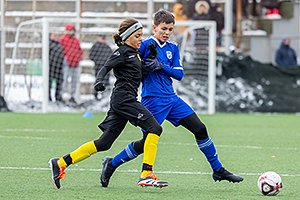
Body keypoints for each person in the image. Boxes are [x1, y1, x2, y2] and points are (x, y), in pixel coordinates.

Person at [100, 9, 244, 188]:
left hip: (172, 99)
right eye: (164, 29)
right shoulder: (143, 46)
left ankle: (218, 169)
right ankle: (112, 164)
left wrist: (160, 66)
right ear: (154, 28)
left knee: (200, 129)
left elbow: (179, 74)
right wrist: (145, 68)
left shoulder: (173, 48)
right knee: (146, 142)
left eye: (170, 29)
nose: (167, 33)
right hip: (152, 100)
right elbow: (133, 70)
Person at [49, 17, 168, 189]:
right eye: (137, 36)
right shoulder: (122, 52)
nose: (140, 39)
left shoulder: (135, 53)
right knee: (155, 128)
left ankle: (61, 162)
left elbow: (139, 72)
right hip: (124, 99)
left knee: (104, 143)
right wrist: (98, 81)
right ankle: (146, 173)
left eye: (142, 35)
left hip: (123, 100)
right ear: (127, 37)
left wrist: (153, 55)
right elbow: (105, 67)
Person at [59, 24, 83, 104]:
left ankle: (72, 96)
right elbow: (61, 51)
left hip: (75, 63)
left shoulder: (76, 40)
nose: (70, 32)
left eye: (72, 30)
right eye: (69, 30)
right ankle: (62, 95)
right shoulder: (63, 39)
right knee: (65, 80)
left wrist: (78, 59)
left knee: (74, 81)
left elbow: (79, 51)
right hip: (67, 63)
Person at [89, 34, 113, 100]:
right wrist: (98, 62)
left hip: (106, 69)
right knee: (98, 81)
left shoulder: (107, 47)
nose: (103, 39)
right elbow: (91, 56)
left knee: (106, 82)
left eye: (104, 38)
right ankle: (95, 97)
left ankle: (105, 97)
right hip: (98, 68)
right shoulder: (95, 46)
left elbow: (111, 56)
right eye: (101, 37)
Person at [49, 32, 64, 102]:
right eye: (54, 35)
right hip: (50, 67)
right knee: (49, 83)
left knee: (59, 83)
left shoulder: (60, 45)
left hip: (59, 67)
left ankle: (58, 98)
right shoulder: (48, 44)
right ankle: (48, 98)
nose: (56, 37)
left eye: (57, 35)